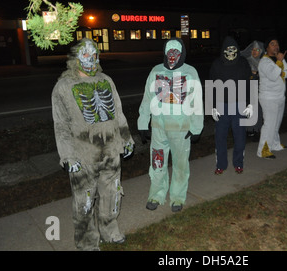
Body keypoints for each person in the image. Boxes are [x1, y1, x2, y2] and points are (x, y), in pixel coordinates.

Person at [51, 38, 135, 250]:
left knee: (112, 195)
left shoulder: (106, 79)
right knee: (84, 203)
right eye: (85, 55)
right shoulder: (63, 87)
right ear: (74, 59)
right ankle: (87, 243)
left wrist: (126, 138)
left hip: (111, 152)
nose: (91, 59)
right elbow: (61, 125)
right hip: (83, 156)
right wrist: (67, 155)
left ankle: (110, 230)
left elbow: (118, 114)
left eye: (95, 55)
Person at [138, 37, 203, 212]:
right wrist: (143, 123)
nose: (172, 56)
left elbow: (197, 102)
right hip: (159, 130)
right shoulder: (155, 71)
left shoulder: (190, 72)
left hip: (181, 131)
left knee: (180, 166)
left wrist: (197, 127)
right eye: (169, 52)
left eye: (176, 52)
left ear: (181, 53)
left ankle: (177, 197)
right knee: (157, 163)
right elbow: (147, 99)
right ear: (165, 53)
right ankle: (156, 195)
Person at [210, 36, 253, 175]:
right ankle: (221, 164)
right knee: (220, 137)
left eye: (233, 50)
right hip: (222, 106)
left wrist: (250, 103)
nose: (230, 52)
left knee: (240, 137)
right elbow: (211, 85)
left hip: (240, 106)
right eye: (227, 50)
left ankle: (238, 163)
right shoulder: (217, 64)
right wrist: (212, 106)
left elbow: (249, 83)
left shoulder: (243, 63)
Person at [257, 37, 287, 159]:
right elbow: (272, 75)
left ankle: (275, 144)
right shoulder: (264, 62)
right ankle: (263, 150)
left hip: (279, 96)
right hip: (268, 97)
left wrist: (282, 70)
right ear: (267, 48)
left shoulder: (280, 58)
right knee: (269, 124)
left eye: (277, 44)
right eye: (272, 44)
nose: (276, 46)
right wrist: (279, 62)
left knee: (277, 123)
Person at [240, 40, 264, 139]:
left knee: (258, 110)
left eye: (257, 50)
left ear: (261, 51)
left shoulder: (263, 61)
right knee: (250, 109)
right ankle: (249, 130)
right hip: (249, 88)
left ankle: (257, 129)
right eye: (253, 50)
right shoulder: (247, 61)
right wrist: (252, 75)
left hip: (260, 89)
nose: (254, 52)